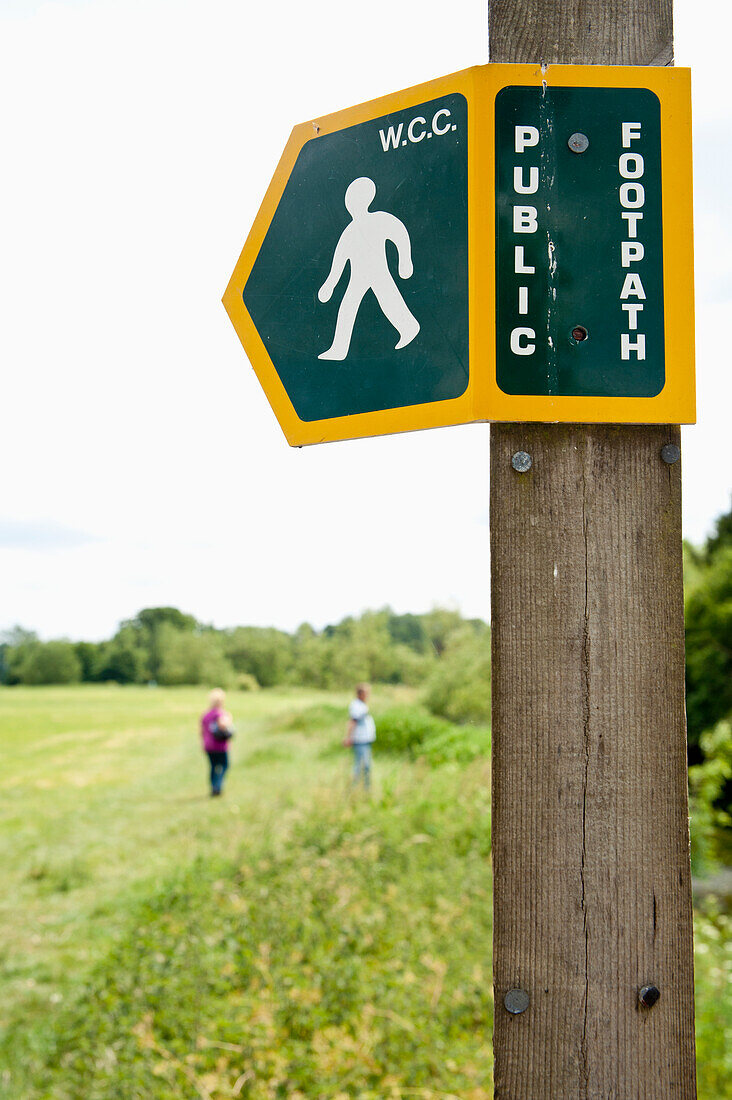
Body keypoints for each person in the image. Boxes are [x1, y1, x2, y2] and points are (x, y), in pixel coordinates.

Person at [200, 688, 234, 797]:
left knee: (213, 766)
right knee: (224, 765)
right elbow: (223, 725)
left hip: (208, 745)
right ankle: (217, 786)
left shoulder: (205, 714)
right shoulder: (220, 714)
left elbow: (201, 731)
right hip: (220, 745)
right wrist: (229, 718)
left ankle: (213, 785)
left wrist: (202, 742)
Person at [345, 682, 376, 790]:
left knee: (365, 765)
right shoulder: (357, 705)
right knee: (362, 765)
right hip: (360, 740)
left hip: (366, 740)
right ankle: (355, 788)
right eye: (366, 693)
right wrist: (348, 738)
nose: (368, 695)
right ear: (360, 693)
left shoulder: (362, 704)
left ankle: (364, 788)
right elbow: (352, 722)